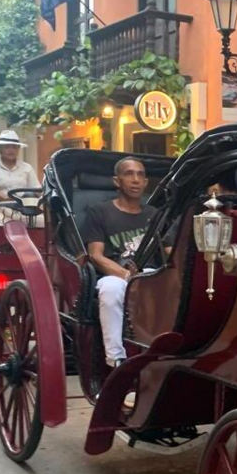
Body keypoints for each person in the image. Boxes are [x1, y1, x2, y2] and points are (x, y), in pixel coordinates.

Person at [81, 157, 156, 368]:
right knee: (110, 290)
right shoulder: (100, 212)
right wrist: (128, 277)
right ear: (117, 181)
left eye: (140, 175)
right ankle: (116, 358)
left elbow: (169, 251)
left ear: (146, 182)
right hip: (115, 275)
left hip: (149, 273)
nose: (136, 180)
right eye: (129, 174)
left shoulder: (154, 215)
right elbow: (96, 255)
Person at [0, 130, 39, 202]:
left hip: (25, 207)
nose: (11, 150)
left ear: (18, 149)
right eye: (7, 147)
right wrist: (10, 201)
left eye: (14, 147)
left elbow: (36, 190)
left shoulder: (27, 168)